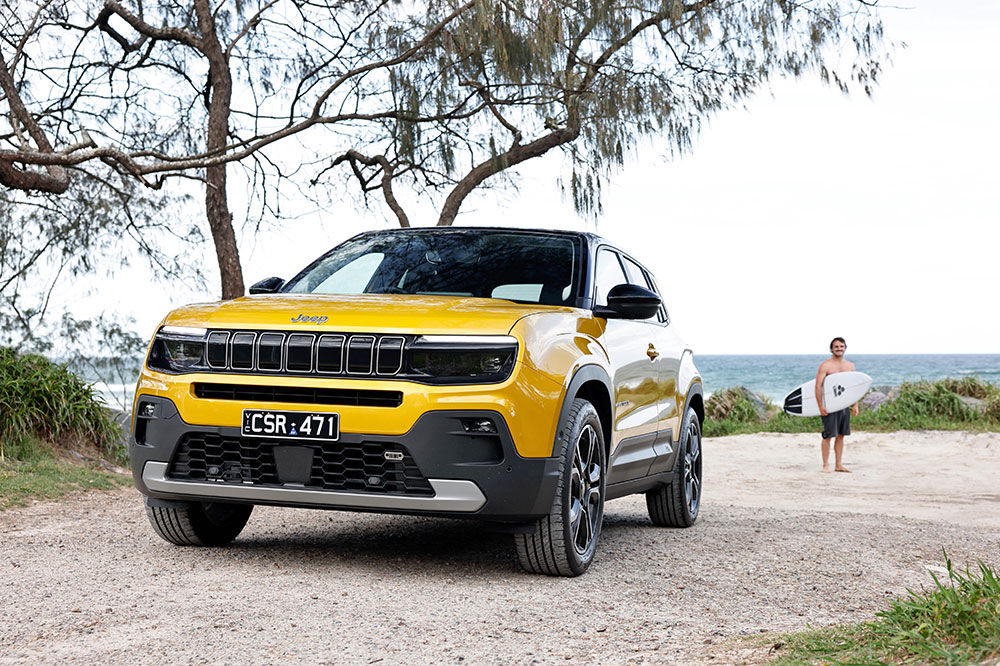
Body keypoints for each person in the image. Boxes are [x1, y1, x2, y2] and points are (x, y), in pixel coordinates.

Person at [816, 337, 859, 473]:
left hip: (844, 405)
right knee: (828, 435)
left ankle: (838, 464)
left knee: (841, 435)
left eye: (841, 346)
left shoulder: (850, 366)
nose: (839, 349)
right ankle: (825, 465)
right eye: (836, 347)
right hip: (830, 406)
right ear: (831, 349)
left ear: (845, 348)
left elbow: (853, 386)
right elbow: (818, 387)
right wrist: (820, 406)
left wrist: (855, 405)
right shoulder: (826, 366)